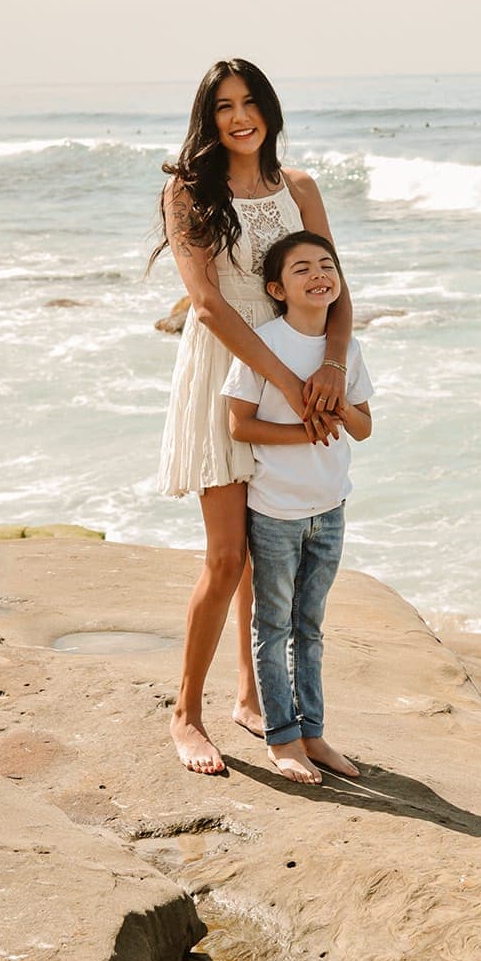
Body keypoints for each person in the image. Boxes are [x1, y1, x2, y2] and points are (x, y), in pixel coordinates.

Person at [153, 59, 353, 774]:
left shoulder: (298, 188)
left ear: (268, 108)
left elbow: (336, 285)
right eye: (223, 107)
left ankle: (253, 698)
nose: (239, 117)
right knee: (226, 555)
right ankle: (185, 715)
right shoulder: (187, 191)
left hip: (296, 374)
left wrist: (327, 366)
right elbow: (206, 305)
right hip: (226, 377)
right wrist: (285, 384)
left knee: (270, 554)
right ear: (207, 120)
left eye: (249, 103)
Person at [223, 231, 372, 785]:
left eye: (326, 265)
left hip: (330, 508)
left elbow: (364, 424)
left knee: (311, 626)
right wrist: (305, 430)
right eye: (302, 268)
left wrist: (336, 413)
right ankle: (281, 738)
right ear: (276, 288)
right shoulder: (265, 345)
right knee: (273, 626)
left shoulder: (346, 351)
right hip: (276, 512)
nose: (318, 275)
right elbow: (240, 423)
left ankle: (314, 733)